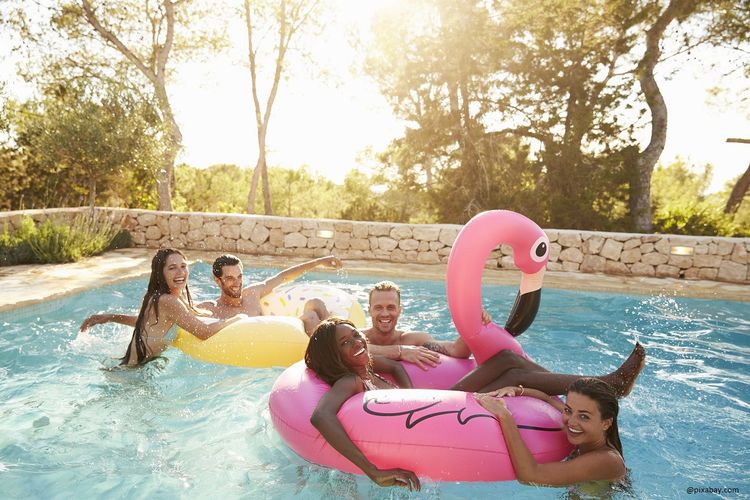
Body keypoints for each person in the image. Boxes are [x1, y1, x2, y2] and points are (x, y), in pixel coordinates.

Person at [305, 318, 645, 490]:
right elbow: (321, 416)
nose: (357, 343)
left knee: (510, 362)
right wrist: (373, 471)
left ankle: (602, 386)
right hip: (437, 417)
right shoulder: (349, 380)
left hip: (427, 406)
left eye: (355, 336)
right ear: (334, 356)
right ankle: (608, 385)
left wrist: (407, 390)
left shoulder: (367, 367)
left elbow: (393, 366)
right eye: (346, 344)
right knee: (507, 364)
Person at [79, 248, 246, 366]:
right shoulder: (168, 301)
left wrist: (110, 317)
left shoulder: (160, 297)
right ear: (161, 273)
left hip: (132, 368)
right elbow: (203, 333)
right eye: (172, 268)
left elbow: (144, 322)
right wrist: (236, 319)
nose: (180, 273)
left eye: (183, 266)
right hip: (133, 375)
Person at [474, 378, 629, 494]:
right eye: (568, 410)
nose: (571, 422)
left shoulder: (607, 460)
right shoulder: (587, 438)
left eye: (584, 417)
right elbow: (547, 399)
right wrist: (515, 390)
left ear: (606, 423)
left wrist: (505, 416)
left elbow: (530, 476)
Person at [196, 254, 343, 335]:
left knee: (315, 303)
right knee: (311, 317)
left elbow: (283, 277)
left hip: (284, 334)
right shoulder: (212, 308)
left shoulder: (252, 293)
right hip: (266, 347)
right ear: (217, 280)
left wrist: (319, 261)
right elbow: (186, 314)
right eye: (230, 278)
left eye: (239, 276)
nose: (237, 283)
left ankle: (337, 347)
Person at [364, 281, 491, 370]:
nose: (385, 313)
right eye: (378, 308)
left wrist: (473, 322)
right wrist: (400, 352)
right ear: (369, 310)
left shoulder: (414, 340)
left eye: (391, 307)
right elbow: (350, 351)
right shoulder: (357, 336)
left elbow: (456, 351)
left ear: (399, 310)